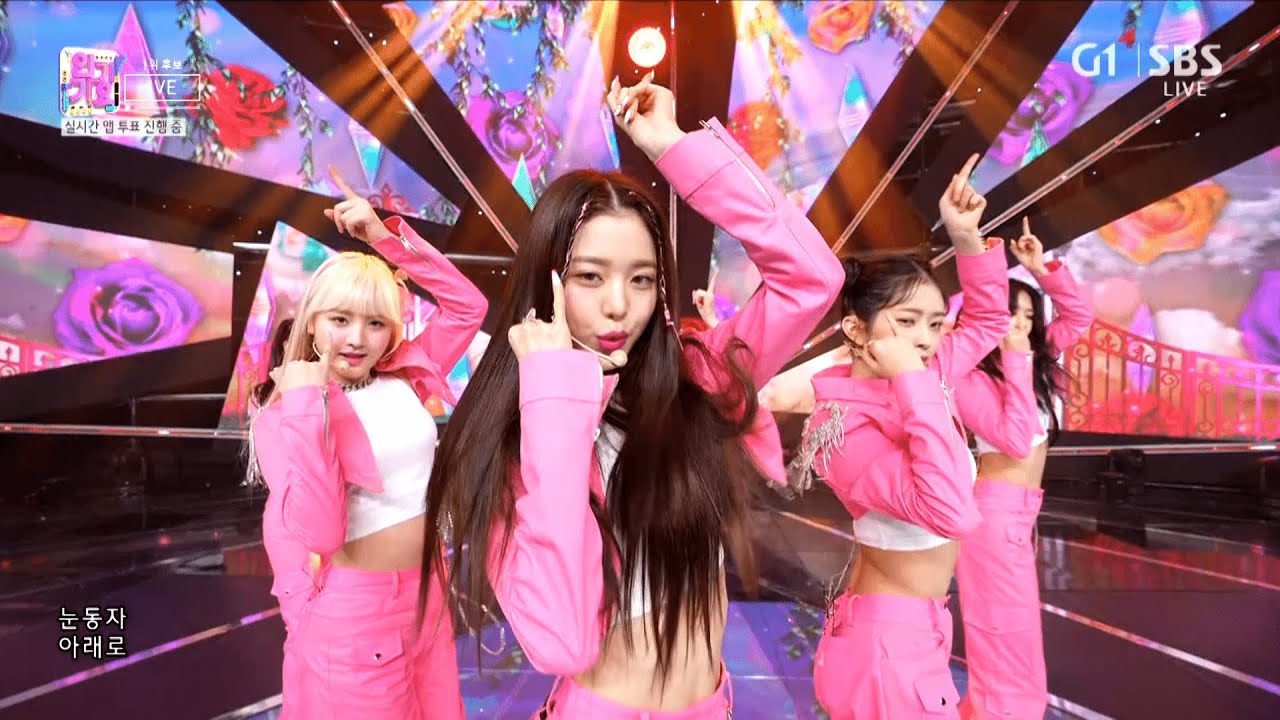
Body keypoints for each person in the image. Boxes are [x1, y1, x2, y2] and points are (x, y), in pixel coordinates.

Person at [421, 73, 843, 718]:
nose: (619, 305)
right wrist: (554, 396)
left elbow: (811, 279)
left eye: (642, 279)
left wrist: (675, 147)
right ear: (547, 282)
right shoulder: (514, 434)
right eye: (590, 277)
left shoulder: (696, 379)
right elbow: (562, 640)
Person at [246, 172, 488, 720]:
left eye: (375, 323)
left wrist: (382, 236)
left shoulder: (405, 375)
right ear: (312, 324)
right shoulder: (285, 416)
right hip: (356, 611)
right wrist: (306, 404)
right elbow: (321, 532)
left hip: (427, 596)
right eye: (340, 320)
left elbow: (467, 308)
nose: (357, 338)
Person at [790, 155, 1010, 719]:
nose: (926, 339)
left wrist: (967, 239)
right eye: (906, 321)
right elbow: (948, 511)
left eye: (935, 323)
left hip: (918, 628)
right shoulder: (841, 425)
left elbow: (987, 322)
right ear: (855, 329)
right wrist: (914, 381)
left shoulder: (926, 376)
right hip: (886, 644)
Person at [952, 218, 1094, 720]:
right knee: (1001, 631)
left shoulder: (1032, 362)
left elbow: (1079, 316)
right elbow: (1014, 440)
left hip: (1020, 514)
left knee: (1018, 632)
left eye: (1028, 316)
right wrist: (1015, 360)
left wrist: (1042, 268)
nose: (1019, 325)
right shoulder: (969, 378)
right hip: (993, 515)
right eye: (1009, 314)